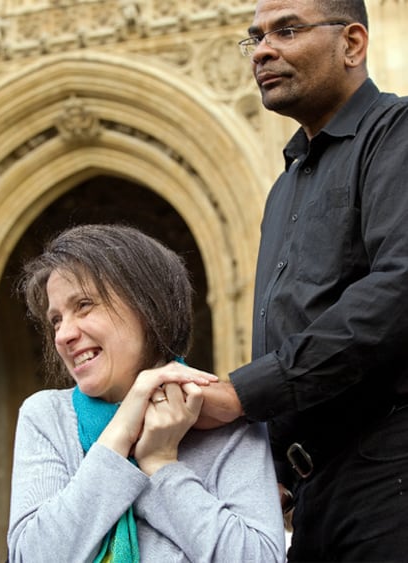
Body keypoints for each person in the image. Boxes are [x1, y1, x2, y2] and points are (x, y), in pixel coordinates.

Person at [166, 0, 408, 561]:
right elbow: (289, 322)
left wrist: (242, 393)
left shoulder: (395, 134)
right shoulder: (285, 187)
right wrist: (271, 467)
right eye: (256, 37)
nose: (264, 50)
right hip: (311, 493)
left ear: (352, 44)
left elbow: (397, 292)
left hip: (390, 474)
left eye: (288, 30)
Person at [7, 223, 285, 563]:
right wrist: (120, 435)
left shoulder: (224, 419)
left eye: (83, 305)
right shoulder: (46, 416)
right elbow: (31, 557)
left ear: (148, 307)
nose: (63, 334)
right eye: (56, 320)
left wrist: (160, 465)